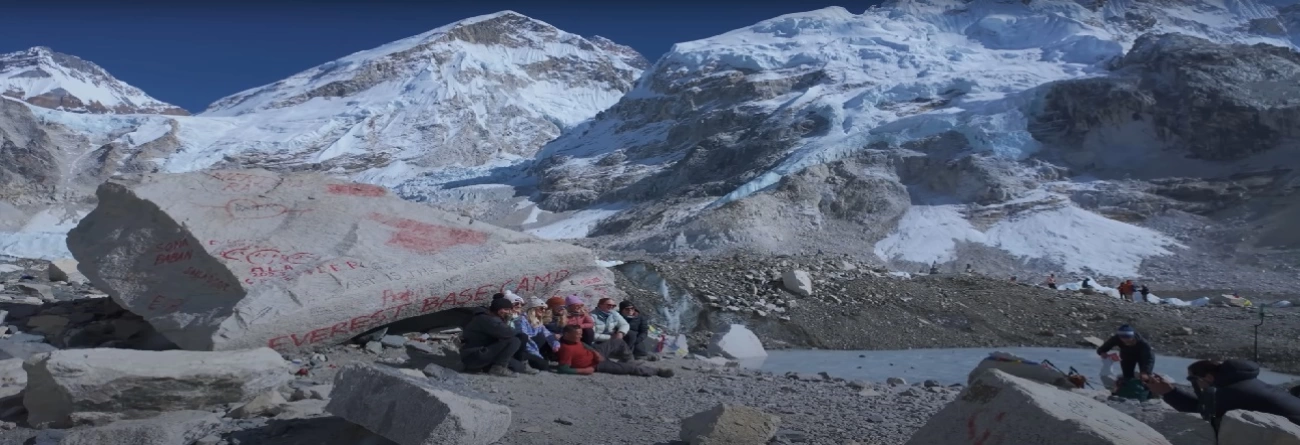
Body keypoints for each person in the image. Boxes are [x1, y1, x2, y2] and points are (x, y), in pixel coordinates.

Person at [1146, 359, 1300, 432]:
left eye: (1193, 380)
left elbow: (1201, 411)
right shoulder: (1244, 383)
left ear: (1208, 378)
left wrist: (1168, 392)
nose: (1196, 385)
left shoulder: (1232, 392)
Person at [553, 325, 673, 378]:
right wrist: (585, 370)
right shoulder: (566, 349)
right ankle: (656, 371)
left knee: (617, 342)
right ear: (567, 334)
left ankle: (629, 361)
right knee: (629, 369)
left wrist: (595, 353)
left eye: (580, 334)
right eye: (577, 335)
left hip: (595, 354)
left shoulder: (574, 339)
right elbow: (563, 368)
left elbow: (582, 344)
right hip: (595, 364)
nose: (580, 336)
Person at [460, 298, 536, 377]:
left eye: (509, 310)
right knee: (514, 340)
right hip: (473, 355)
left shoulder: (493, 318)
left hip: (484, 352)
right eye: (506, 309)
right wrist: (508, 320)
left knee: (519, 367)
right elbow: (507, 333)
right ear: (498, 309)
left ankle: (491, 367)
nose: (508, 312)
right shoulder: (486, 319)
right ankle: (498, 368)